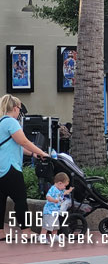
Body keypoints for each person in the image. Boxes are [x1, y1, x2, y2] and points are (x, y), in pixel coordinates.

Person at [0, 94, 49, 242]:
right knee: (20, 199)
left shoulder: (1, 122)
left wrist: (34, 154)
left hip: (1, 167)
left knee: (1, 200)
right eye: (20, 109)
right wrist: (42, 153)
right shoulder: (11, 123)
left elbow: (17, 145)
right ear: (15, 108)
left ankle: (1, 232)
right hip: (10, 167)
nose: (20, 112)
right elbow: (24, 142)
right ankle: (26, 231)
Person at [41, 172, 73, 239]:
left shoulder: (59, 190)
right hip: (49, 211)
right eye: (64, 186)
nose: (64, 187)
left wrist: (69, 190)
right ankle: (42, 236)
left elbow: (64, 193)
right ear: (60, 183)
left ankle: (54, 235)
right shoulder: (53, 189)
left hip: (55, 211)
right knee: (47, 225)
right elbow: (48, 197)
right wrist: (54, 200)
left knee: (55, 225)